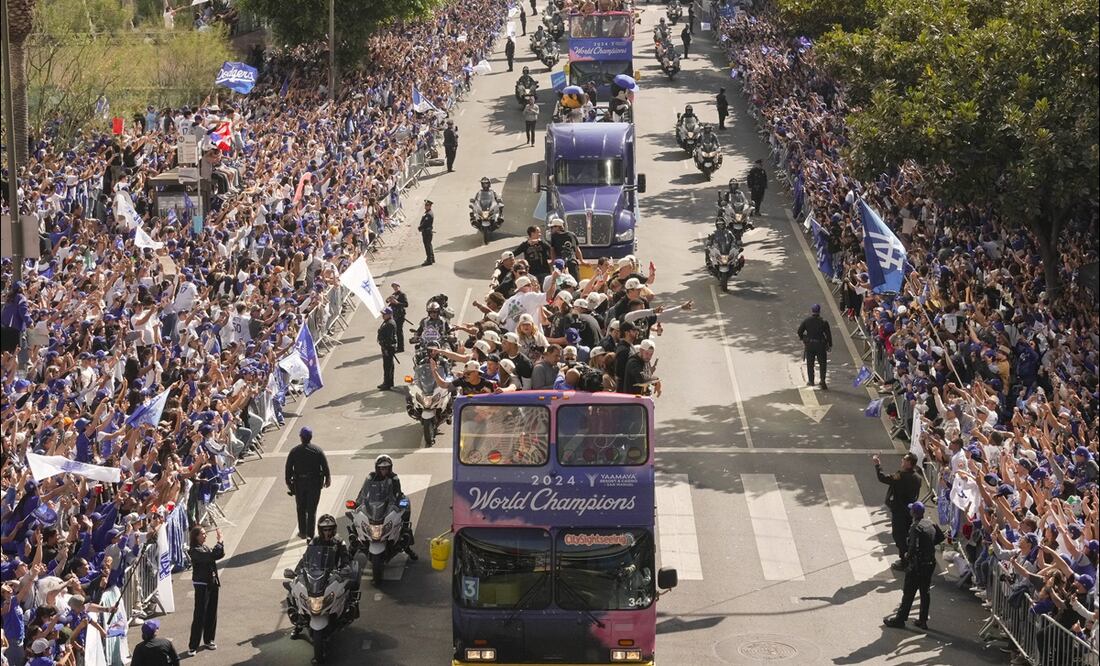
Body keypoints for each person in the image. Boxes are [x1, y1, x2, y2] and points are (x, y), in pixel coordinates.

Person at [883, 501, 944, 630]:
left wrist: (907, 557)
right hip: (930, 563)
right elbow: (940, 537)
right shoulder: (930, 523)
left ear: (913, 513)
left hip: (918, 565)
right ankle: (923, 620)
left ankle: (900, 619)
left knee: (909, 592)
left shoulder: (915, 527)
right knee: (924, 592)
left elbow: (913, 547)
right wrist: (928, 545)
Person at [356, 455, 417, 558]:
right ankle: (352, 548)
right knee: (355, 517)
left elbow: (397, 493)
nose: (384, 470)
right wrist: (358, 502)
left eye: (386, 468)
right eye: (382, 468)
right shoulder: (371, 477)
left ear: (390, 468)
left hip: (389, 504)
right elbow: (363, 492)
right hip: (373, 504)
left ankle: (406, 541)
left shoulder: (394, 478)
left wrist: (398, 504)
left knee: (406, 503)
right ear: (377, 468)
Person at [873, 452, 922, 570]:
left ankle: (904, 560)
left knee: (899, 536)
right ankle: (910, 557)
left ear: (909, 463)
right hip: (910, 511)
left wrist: (877, 465)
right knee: (907, 534)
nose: (902, 461)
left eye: (904, 460)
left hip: (899, 510)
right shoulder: (918, 478)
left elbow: (883, 478)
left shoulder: (901, 476)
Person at [284, 426, 332, 539]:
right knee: (312, 509)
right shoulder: (317, 450)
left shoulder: (294, 451)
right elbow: (325, 466)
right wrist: (328, 478)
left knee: (301, 508)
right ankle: (310, 534)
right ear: (311, 437)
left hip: (300, 484)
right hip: (314, 484)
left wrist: (289, 483)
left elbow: (288, 468)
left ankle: (303, 532)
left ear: (301, 437)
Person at [187, 525, 224, 655]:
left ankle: (209, 639)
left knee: (211, 612)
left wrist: (220, 542)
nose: (205, 535)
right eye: (202, 533)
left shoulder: (205, 547)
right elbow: (211, 556)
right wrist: (219, 541)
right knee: (199, 615)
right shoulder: (195, 550)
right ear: (196, 536)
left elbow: (218, 554)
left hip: (212, 582)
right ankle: (193, 645)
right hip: (202, 584)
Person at [796, 304, 832, 389]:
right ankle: (822, 380)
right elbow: (828, 335)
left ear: (812, 311)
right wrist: (829, 344)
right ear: (819, 311)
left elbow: (799, 331)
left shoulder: (807, 321)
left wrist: (803, 338)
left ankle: (811, 381)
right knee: (822, 364)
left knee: (810, 363)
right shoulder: (824, 322)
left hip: (810, 345)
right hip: (820, 345)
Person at [378, 307, 398, 390]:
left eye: (384, 314)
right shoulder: (387, 322)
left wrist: (386, 347)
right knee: (388, 366)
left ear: (389, 314)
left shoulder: (390, 324)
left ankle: (387, 384)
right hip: (387, 347)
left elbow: (389, 338)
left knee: (388, 366)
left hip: (388, 348)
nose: (383, 316)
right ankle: (388, 382)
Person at [385, 282, 409, 352]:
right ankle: (394, 346)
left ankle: (401, 347)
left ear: (399, 286)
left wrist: (397, 303)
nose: (395, 288)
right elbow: (388, 302)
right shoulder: (393, 295)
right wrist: (389, 300)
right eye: (393, 287)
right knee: (393, 332)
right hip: (393, 315)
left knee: (399, 331)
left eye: (396, 286)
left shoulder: (402, 295)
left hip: (400, 315)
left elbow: (406, 304)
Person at [418, 199, 435, 265]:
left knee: (427, 246)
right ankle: (432, 258)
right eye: (425, 205)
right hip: (427, 231)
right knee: (429, 245)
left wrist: (420, 228)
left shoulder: (429, 214)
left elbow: (425, 223)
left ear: (430, 206)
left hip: (427, 232)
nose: (425, 206)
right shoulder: (427, 212)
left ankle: (429, 260)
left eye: (427, 205)